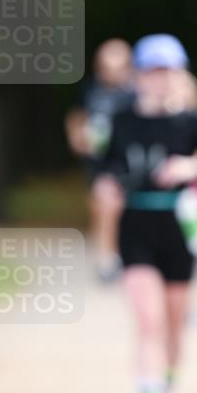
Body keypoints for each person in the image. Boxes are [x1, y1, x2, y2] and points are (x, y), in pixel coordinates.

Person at [99, 33, 197, 393]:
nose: (161, 80)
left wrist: (193, 165)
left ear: (180, 75)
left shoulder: (192, 122)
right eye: (154, 72)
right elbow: (103, 168)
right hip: (136, 226)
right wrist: (108, 186)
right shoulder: (122, 119)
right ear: (138, 75)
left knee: (174, 325)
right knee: (148, 321)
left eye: (169, 72)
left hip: (179, 229)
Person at [65, 38, 134, 282]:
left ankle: (124, 256)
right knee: (101, 208)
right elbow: (76, 116)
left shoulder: (136, 92)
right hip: (98, 160)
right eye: (106, 68)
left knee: (124, 210)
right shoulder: (90, 89)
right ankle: (106, 259)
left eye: (117, 68)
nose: (111, 74)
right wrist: (77, 139)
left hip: (128, 161)